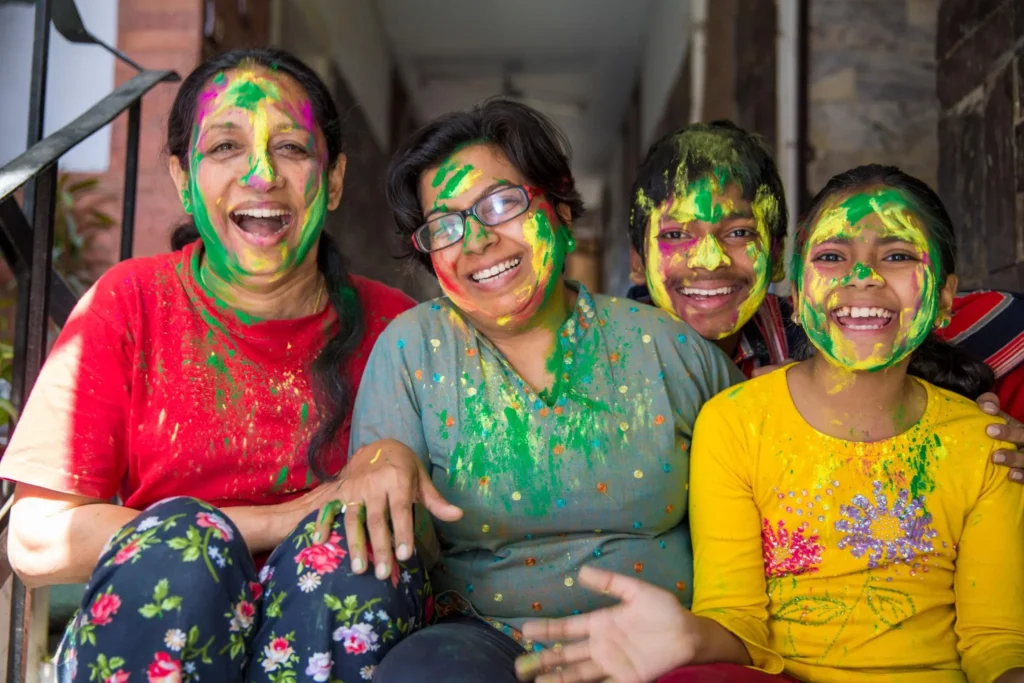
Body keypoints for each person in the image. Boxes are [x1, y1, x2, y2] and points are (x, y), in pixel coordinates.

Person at [0, 47, 429, 682]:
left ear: (334, 179)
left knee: (354, 558)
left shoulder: (400, 330)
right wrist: (271, 522)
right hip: (167, 633)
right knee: (183, 545)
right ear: (183, 178)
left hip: (324, 639)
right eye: (226, 146)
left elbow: (450, 524)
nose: (261, 174)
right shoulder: (131, 302)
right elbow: (36, 537)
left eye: (291, 147)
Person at [517, 165, 1024, 683]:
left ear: (944, 297)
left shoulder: (985, 444)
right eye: (832, 257)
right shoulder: (737, 422)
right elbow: (737, 621)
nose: (862, 276)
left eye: (897, 256)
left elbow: (996, 643)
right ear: (797, 294)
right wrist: (688, 638)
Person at [321, 98, 744, 682]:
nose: (476, 241)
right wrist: (381, 462)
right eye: (445, 226)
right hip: (481, 639)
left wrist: (701, 636)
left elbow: (756, 527)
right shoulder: (412, 350)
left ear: (562, 209)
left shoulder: (668, 349)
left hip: (661, 643)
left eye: (500, 204)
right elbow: (385, 529)